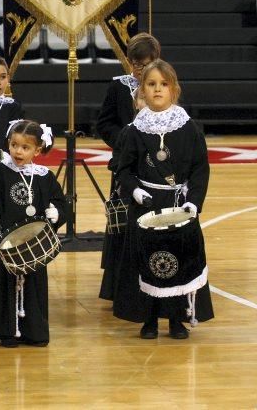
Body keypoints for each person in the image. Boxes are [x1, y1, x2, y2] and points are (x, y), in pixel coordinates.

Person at [113, 60, 212, 339]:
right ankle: (150, 319)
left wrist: (194, 200)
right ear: (142, 90)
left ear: (174, 89)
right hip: (145, 204)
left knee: (178, 259)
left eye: (163, 84)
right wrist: (134, 190)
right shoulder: (134, 130)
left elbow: (199, 168)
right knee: (147, 260)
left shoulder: (189, 128)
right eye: (151, 84)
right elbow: (124, 168)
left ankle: (177, 319)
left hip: (178, 203)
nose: (157, 89)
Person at [0, 120, 65, 347]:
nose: (18, 151)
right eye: (14, 145)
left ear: (37, 150)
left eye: (25, 147)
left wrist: (57, 212)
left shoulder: (45, 177)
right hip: (5, 244)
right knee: (3, 287)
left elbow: (59, 201)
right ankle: (6, 332)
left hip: (34, 246)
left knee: (34, 288)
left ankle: (34, 331)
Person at [97, 33, 161, 302]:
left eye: (145, 64)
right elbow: (103, 124)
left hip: (157, 169)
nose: (139, 71)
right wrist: (124, 140)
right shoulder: (119, 88)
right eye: (135, 65)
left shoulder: (164, 86)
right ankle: (119, 286)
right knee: (122, 222)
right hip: (126, 167)